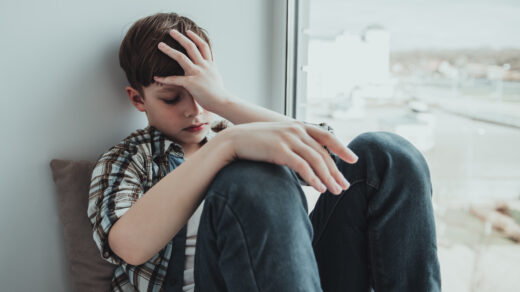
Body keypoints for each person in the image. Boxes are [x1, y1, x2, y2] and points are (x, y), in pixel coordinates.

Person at [87, 12, 441, 292]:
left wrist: (225, 104)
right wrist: (226, 147)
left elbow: (332, 158)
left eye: (201, 93)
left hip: (292, 277)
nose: (194, 111)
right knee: (249, 175)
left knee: (386, 155)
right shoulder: (130, 159)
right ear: (138, 99)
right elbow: (127, 246)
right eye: (171, 98)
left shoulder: (237, 133)